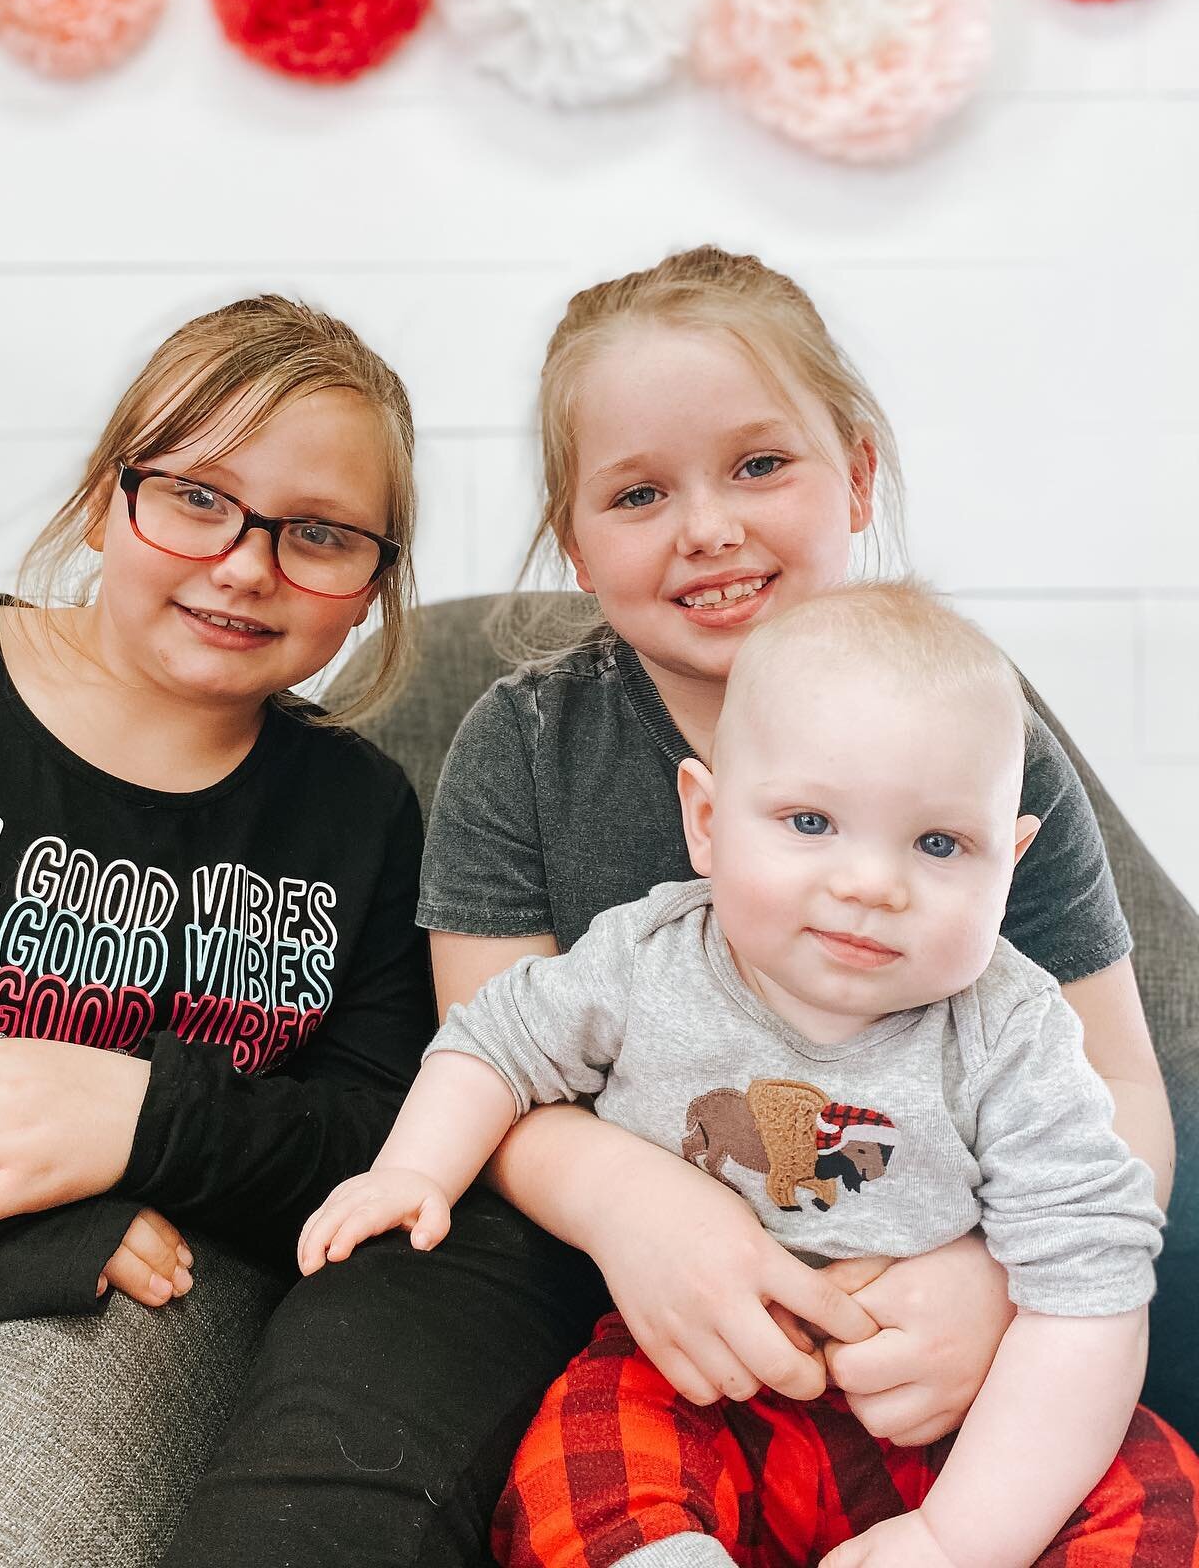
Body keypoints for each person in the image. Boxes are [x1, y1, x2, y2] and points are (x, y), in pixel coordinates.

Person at [157, 246, 1191, 1568]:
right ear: (575, 544)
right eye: (641, 492)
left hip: (934, 1266)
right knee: (510, 1447)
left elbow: (1121, 1100)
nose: (709, 526)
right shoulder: (529, 743)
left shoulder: (980, 735)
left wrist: (1002, 1292)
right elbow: (498, 1057)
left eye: (761, 466)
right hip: (597, 1274)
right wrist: (641, 1212)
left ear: (858, 475)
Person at [301, 581, 1198, 1567]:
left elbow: (1093, 1290)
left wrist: (959, 1538)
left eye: (939, 844)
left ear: (1012, 863)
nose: (871, 883)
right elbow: (495, 1040)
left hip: (956, 1417)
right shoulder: (645, 959)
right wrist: (413, 1171)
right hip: (693, 1386)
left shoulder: (1016, 1032)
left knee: (1158, 1494)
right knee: (582, 1465)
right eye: (811, 822)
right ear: (708, 820)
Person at [0, 295, 435, 1568]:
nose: (244, 564)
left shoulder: (360, 813)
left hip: (112, 1430)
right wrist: (17, 1238)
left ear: (371, 588)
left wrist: (142, 1114)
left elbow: (375, 1141)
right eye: (196, 496)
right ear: (103, 499)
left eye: (320, 534)